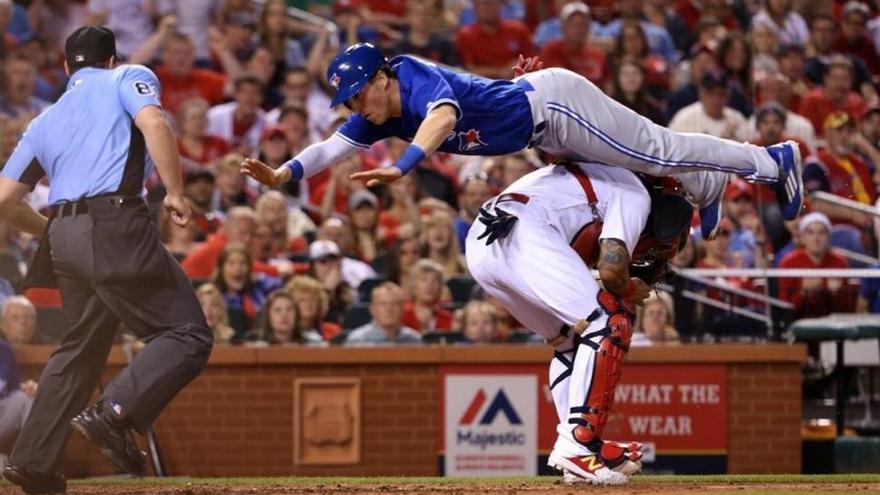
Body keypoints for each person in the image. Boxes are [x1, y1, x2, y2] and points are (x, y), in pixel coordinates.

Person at [241, 42, 805, 242]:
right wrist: (284, 174)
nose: (356, 107)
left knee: (657, 150)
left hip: (554, 107)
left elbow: (441, 116)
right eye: (352, 101)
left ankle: (772, 160)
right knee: (641, 168)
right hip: (542, 130)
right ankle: (707, 188)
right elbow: (329, 149)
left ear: (382, 78)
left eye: (360, 94)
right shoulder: (378, 114)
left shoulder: (409, 76)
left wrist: (407, 164)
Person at [0, 27, 213, 492]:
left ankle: (33, 461)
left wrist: (55, 231)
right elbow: (154, 123)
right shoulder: (127, 77)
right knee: (188, 333)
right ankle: (114, 412)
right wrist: (174, 192)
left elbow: (3, 200)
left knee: (80, 349)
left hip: (68, 238)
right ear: (112, 60)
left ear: (65, 68)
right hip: (116, 223)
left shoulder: (44, 118)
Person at [464, 158, 695, 484]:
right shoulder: (635, 193)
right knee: (610, 321)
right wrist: (631, 287)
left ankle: (580, 451)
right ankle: (579, 443)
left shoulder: (605, 179)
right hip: (524, 229)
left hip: (483, 244)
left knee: (571, 340)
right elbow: (612, 271)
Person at [344, 282, 422, 345]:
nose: (389, 309)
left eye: (395, 304)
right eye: (383, 304)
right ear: (372, 310)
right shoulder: (357, 341)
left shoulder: (414, 340)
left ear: (402, 309)